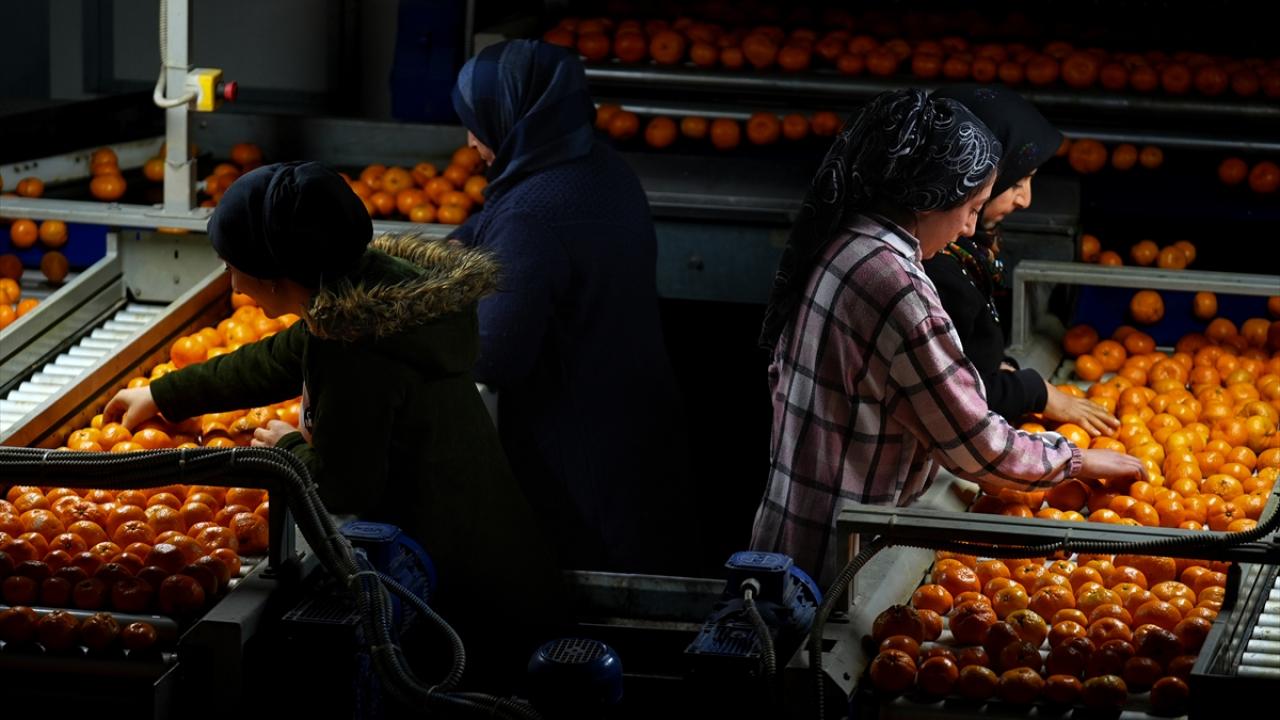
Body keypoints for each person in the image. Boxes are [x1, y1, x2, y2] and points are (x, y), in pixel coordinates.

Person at [104, 161, 564, 675]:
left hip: (471, 607)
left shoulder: (357, 353)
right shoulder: (369, 297)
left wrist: (285, 446)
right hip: (499, 559)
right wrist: (164, 393)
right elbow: (279, 358)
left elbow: (345, 490)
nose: (232, 287)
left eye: (234, 268)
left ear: (277, 276)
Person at [752, 90, 1146, 586]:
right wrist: (1078, 460)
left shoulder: (845, 238)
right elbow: (975, 445)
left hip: (791, 527)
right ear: (930, 195)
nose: (967, 229)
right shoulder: (897, 287)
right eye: (970, 207)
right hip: (838, 561)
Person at [447, 39, 696, 575]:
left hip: (580, 450)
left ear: (516, 114)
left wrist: (405, 324)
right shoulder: (599, 167)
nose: (470, 141)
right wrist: (451, 248)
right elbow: (495, 226)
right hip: (638, 428)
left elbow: (495, 354)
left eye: (478, 121)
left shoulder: (535, 212)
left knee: (594, 602)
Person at [925, 84, 1117, 436]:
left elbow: (969, 361)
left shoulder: (966, 255)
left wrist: (1005, 370)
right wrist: (1037, 393)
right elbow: (953, 397)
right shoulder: (936, 270)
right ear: (973, 177)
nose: (1026, 200)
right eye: (1017, 182)